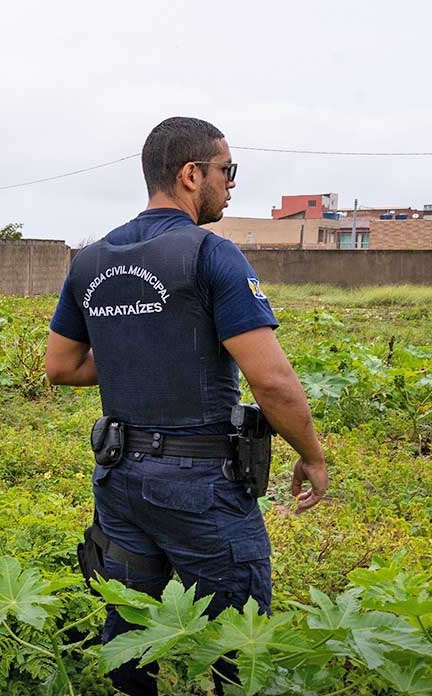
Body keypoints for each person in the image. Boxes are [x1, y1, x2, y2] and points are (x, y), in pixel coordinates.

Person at [45, 117, 328, 695]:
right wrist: (312, 455)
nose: (231, 185)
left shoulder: (90, 260)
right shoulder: (211, 255)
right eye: (227, 171)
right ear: (191, 174)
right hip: (202, 485)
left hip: (118, 476)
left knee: (131, 626)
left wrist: (138, 344)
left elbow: (62, 366)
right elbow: (270, 381)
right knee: (236, 640)